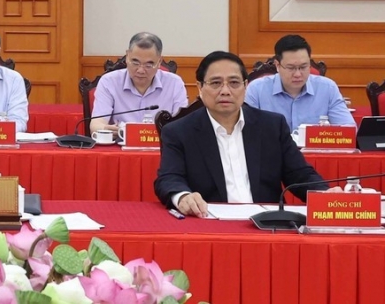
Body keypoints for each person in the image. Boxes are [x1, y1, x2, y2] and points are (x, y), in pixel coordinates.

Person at [154, 50, 336, 218]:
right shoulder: (179, 132)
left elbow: (299, 174)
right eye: (216, 83)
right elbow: (169, 178)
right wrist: (183, 196)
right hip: (209, 223)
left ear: (245, 86)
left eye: (234, 83)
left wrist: (324, 194)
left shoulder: (272, 126)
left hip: (266, 225)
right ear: (200, 88)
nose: (225, 91)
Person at [244, 35, 354, 130]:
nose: (297, 74)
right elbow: (245, 131)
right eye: (291, 68)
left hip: (313, 148)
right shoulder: (256, 90)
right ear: (277, 65)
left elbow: (348, 130)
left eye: (303, 67)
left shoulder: (328, 88)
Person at [89, 33, 188, 134]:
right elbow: (96, 124)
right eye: (135, 63)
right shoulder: (109, 82)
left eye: (148, 65)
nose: (140, 70)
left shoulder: (174, 84)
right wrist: (107, 130)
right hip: (120, 141)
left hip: (160, 143)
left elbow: (183, 126)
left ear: (159, 62)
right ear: (127, 56)